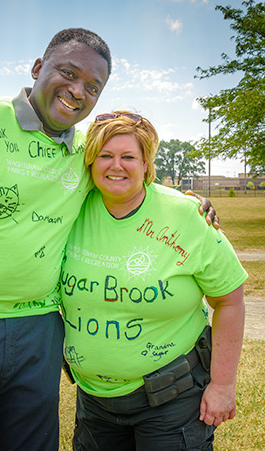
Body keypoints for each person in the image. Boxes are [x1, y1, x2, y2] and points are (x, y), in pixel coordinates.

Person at [0, 28, 216, 450]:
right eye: (67, 73)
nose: (77, 91)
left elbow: (129, 172)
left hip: (38, 330)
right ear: (38, 68)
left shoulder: (88, 149)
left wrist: (188, 201)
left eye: (92, 86)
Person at [60, 112, 247, 450]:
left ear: (146, 163)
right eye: (105, 155)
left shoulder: (186, 216)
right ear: (90, 162)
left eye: (128, 156)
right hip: (93, 402)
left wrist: (223, 385)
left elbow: (229, 300)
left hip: (171, 401)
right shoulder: (67, 211)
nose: (116, 165)